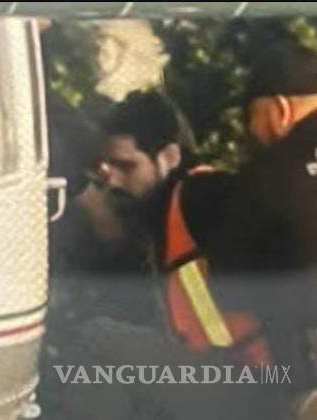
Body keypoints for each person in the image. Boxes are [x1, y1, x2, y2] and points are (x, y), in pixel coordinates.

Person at [57, 39, 317, 420]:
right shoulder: (161, 218)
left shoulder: (205, 196)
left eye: (127, 166)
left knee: (99, 341)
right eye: (105, 169)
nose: (112, 181)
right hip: (235, 380)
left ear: (169, 157)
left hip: (259, 386)